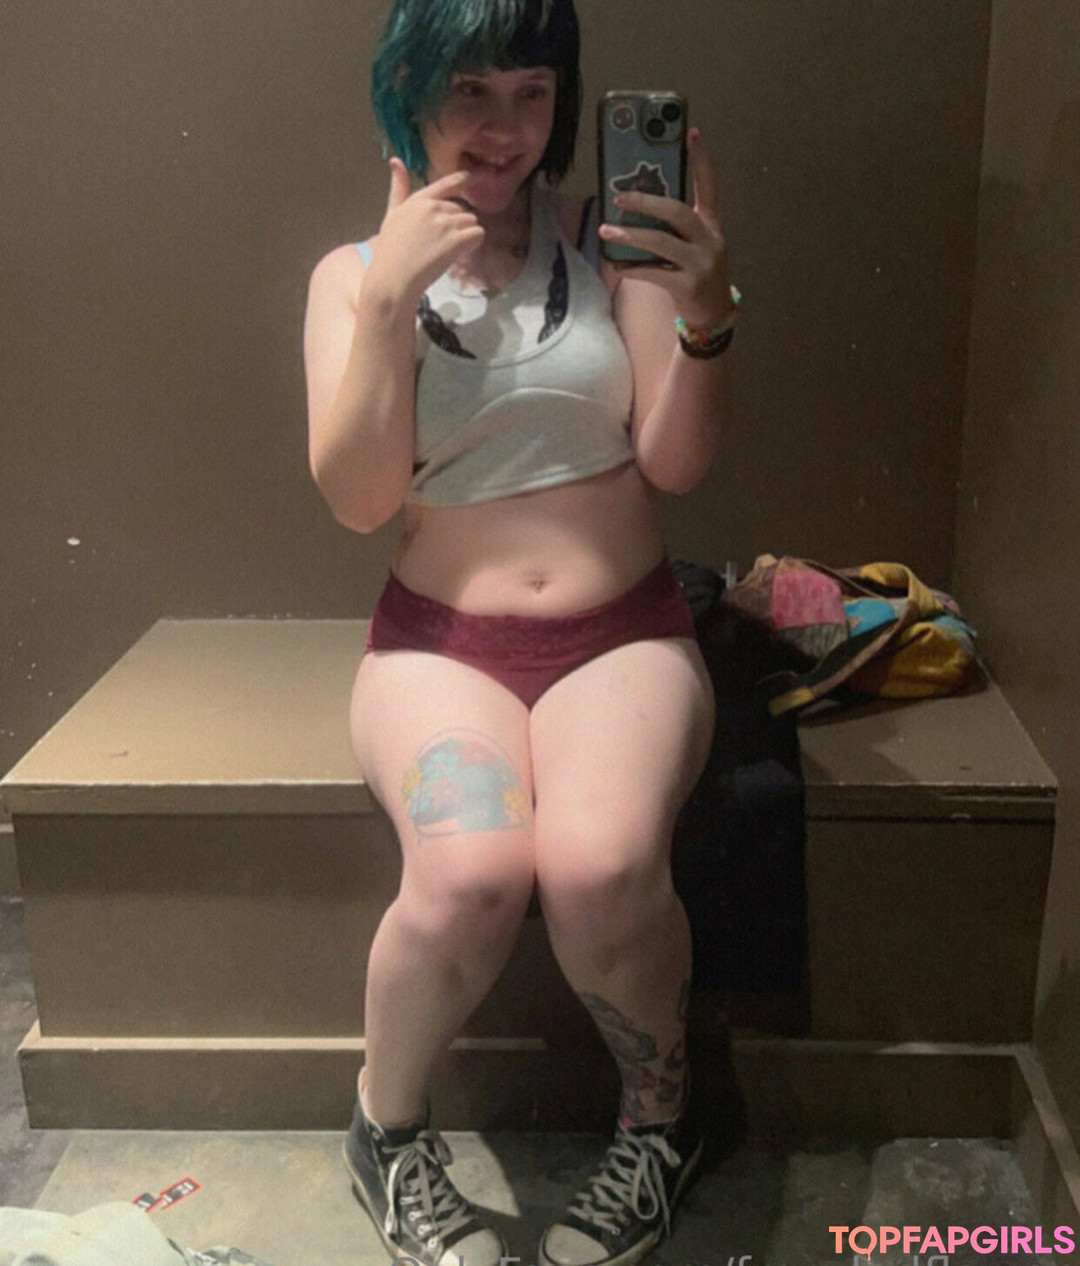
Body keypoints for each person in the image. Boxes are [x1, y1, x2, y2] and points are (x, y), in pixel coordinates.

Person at [303, 2, 737, 1264]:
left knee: (603, 866)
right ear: (410, 95)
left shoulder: (614, 250)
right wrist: (389, 303)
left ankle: (660, 1126)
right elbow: (359, 500)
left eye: (533, 94)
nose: (504, 131)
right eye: (470, 94)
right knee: (468, 876)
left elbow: (677, 462)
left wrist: (706, 312)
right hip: (440, 651)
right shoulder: (349, 276)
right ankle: (386, 1133)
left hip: (623, 638)